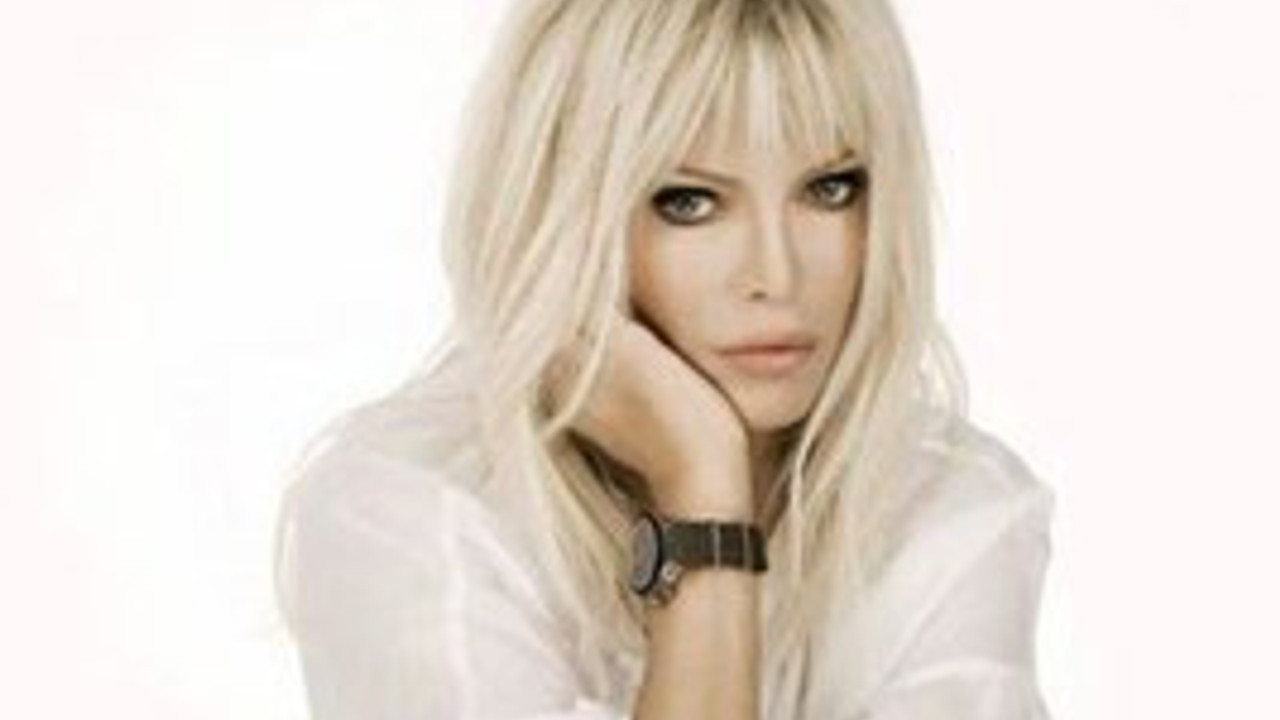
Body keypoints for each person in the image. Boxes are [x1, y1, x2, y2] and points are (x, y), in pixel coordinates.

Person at [271, 0, 1057, 717]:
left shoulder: (949, 509)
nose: (776, 275)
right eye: (690, 202)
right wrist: (703, 499)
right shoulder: (413, 512)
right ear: (565, 216)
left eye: (830, 189)